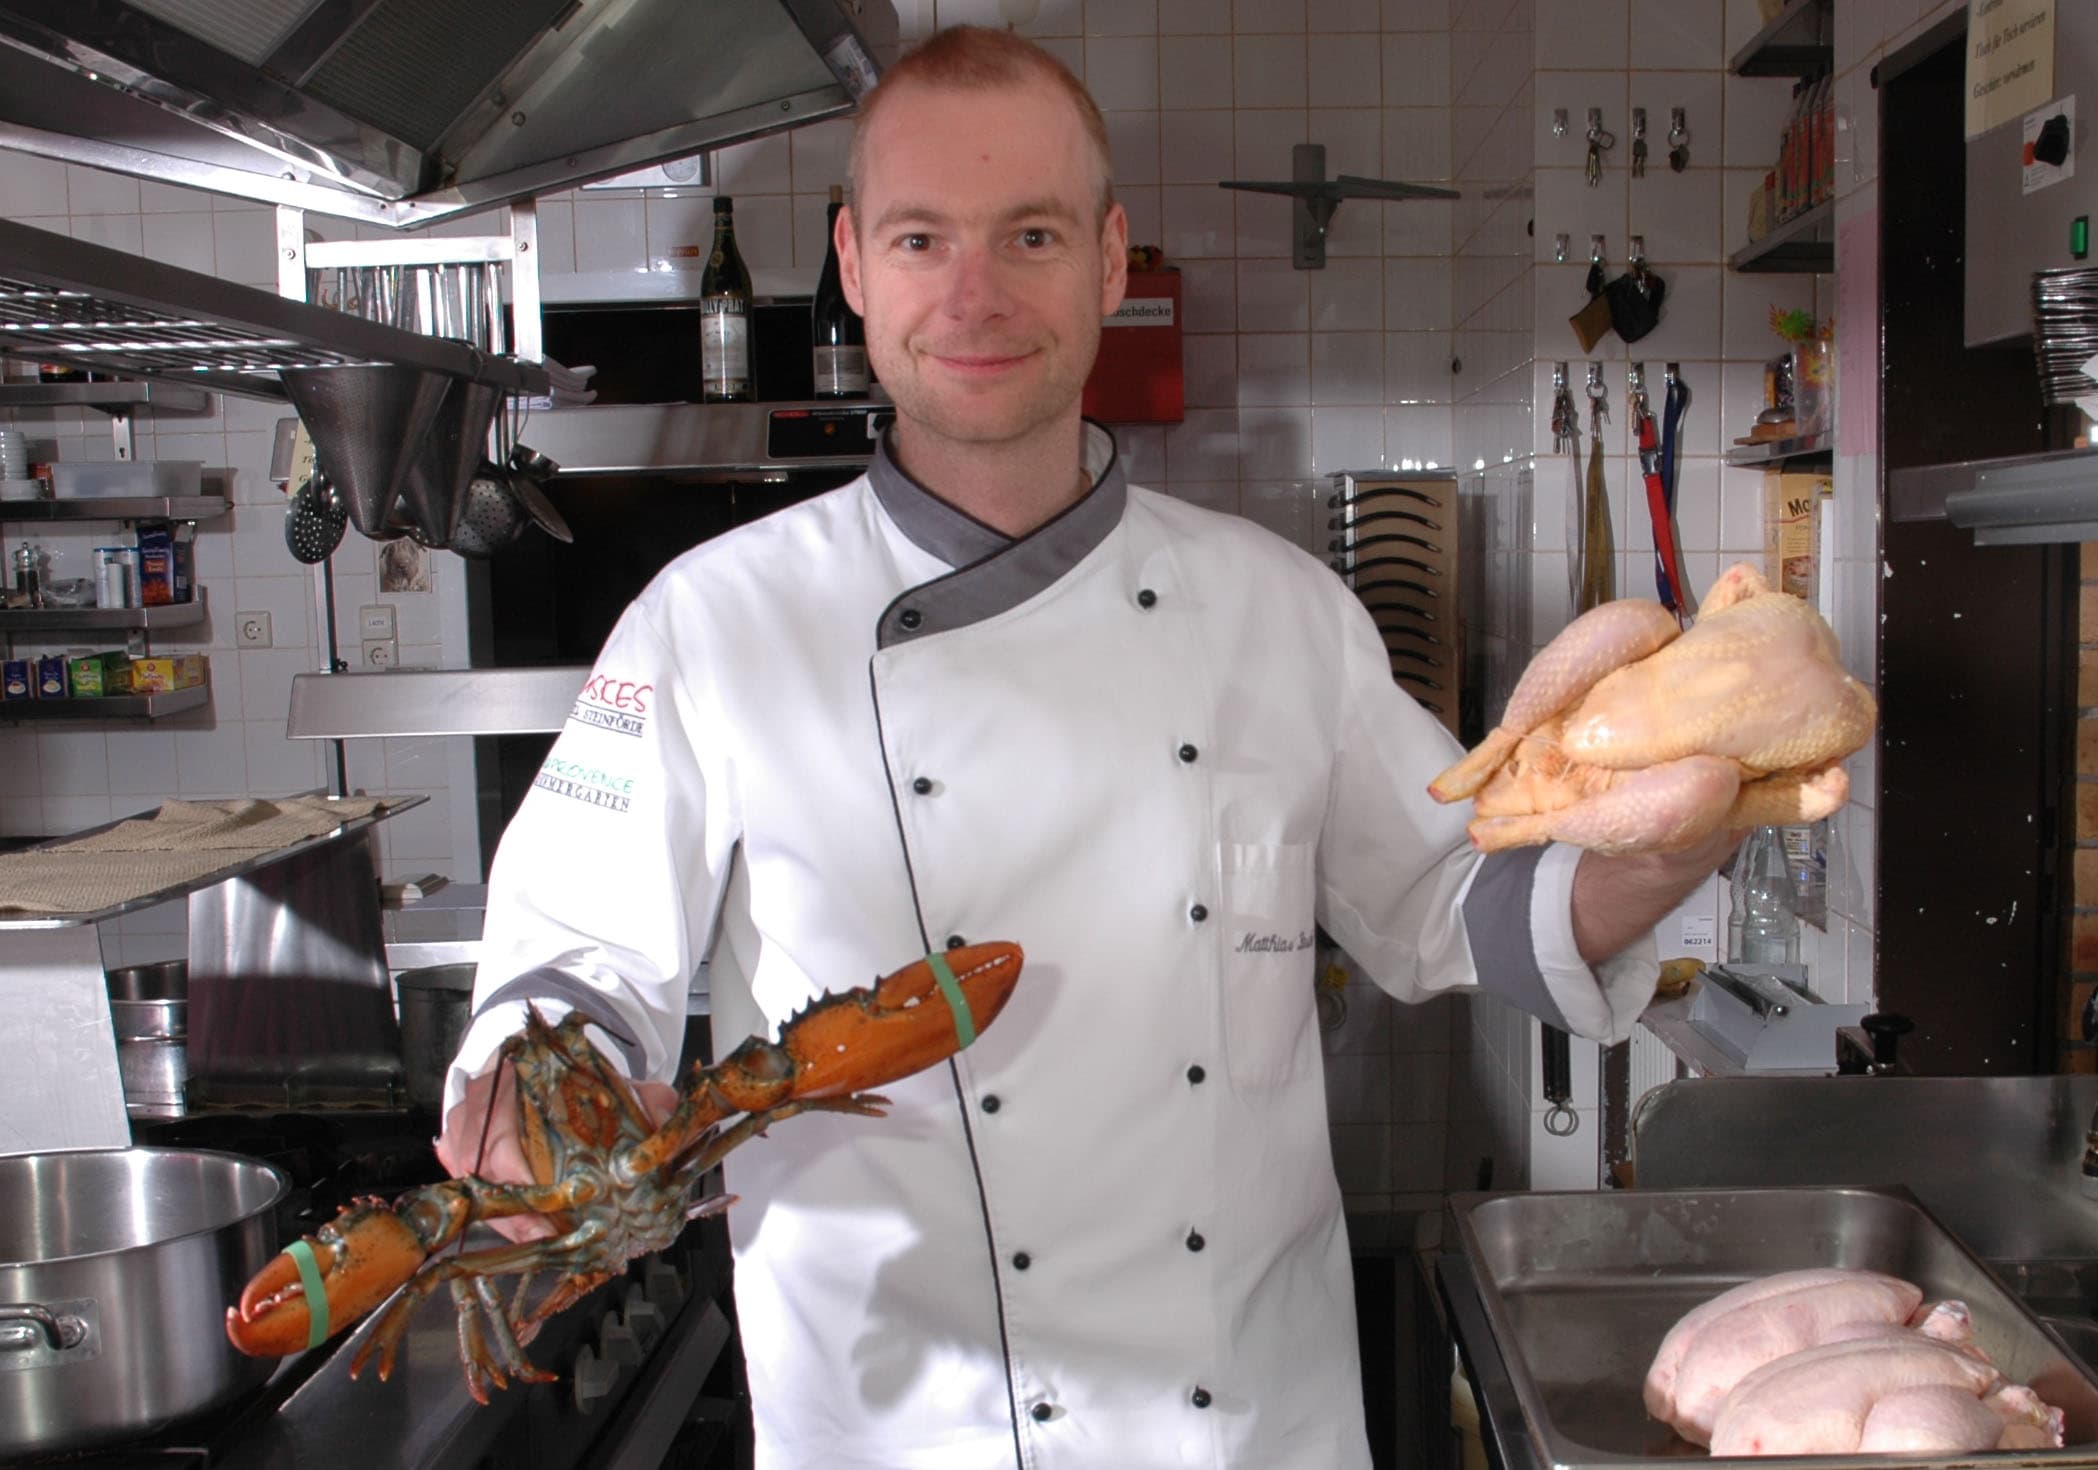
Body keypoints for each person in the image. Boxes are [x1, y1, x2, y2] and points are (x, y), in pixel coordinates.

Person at [439, 25, 1736, 1469]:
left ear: (1111, 263)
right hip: (891, 1426)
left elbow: (1463, 904)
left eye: (1032, 234)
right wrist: (528, 1101)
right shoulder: (711, 624)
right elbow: (573, 966)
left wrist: (1683, 835)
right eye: (922, 238)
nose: (975, 293)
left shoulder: (1278, 611)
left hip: (1238, 1427)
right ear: (854, 265)